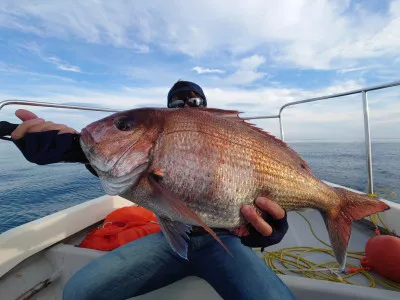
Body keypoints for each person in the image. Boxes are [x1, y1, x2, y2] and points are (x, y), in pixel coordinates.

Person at [10, 80, 295, 300]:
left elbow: (265, 182)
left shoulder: (226, 144)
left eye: (194, 101)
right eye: (176, 103)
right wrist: (72, 147)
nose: (185, 107)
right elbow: (125, 166)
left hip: (225, 242)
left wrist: (273, 228)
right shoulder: (155, 153)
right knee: (78, 291)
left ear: (205, 107)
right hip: (167, 242)